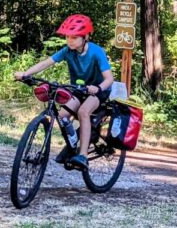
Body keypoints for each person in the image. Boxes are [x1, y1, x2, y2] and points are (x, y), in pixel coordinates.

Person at [14, 14, 114, 169]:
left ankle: (82, 155)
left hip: (99, 90)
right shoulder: (67, 51)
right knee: (61, 115)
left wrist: (98, 87)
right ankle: (73, 142)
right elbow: (46, 63)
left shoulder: (96, 52)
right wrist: (26, 74)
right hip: (79, 89)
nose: (69, 41)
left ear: (85, 37)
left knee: (83, 112)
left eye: (74, 37)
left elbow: (109, 79)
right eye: (68, 37)